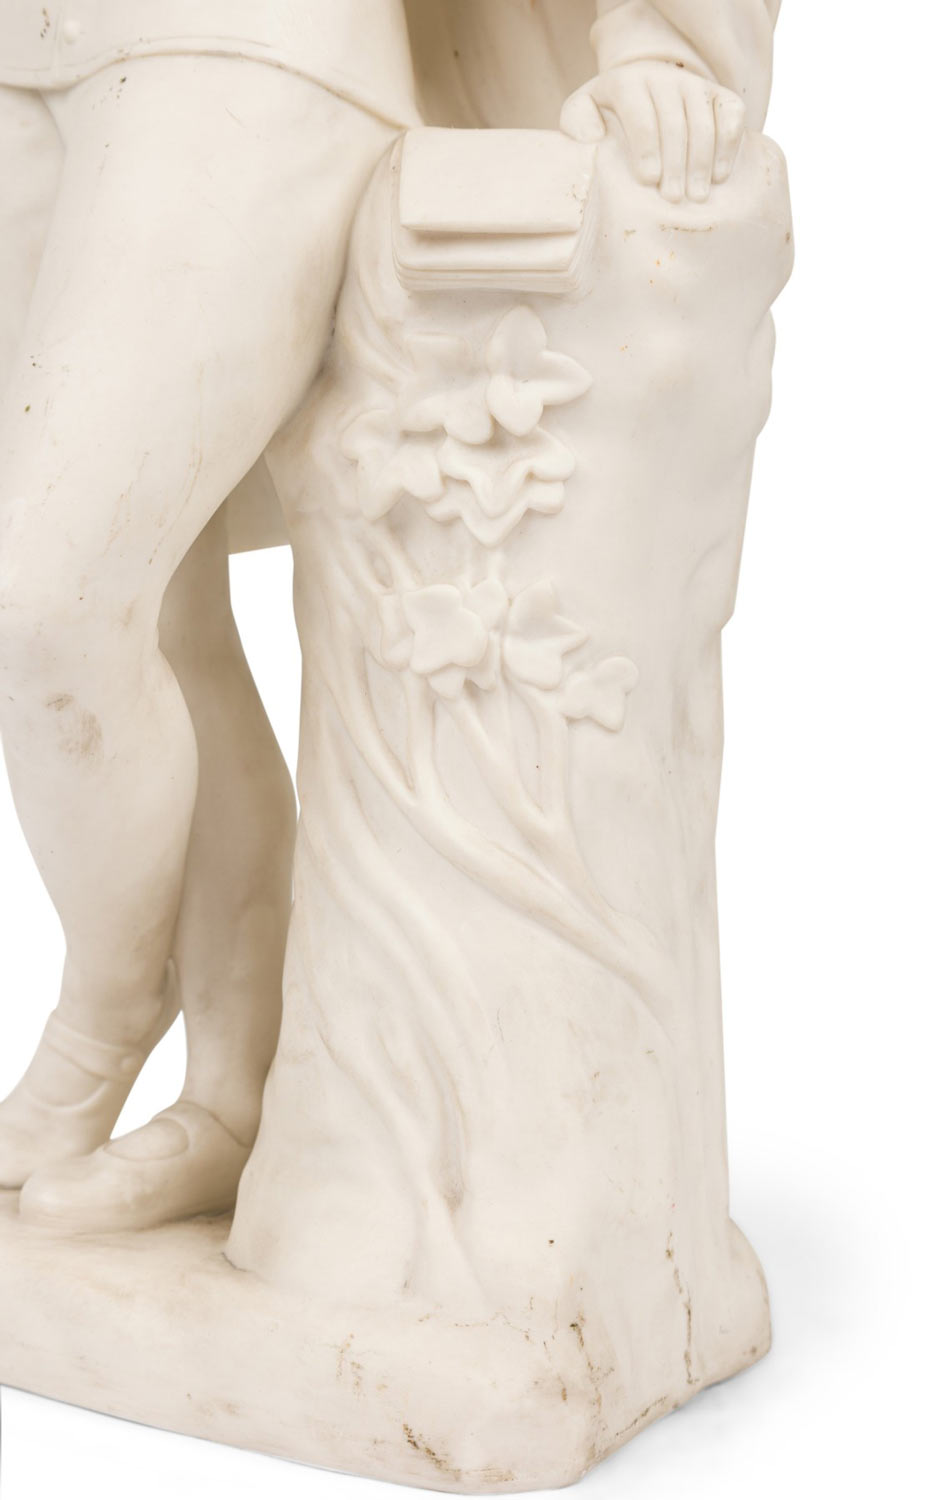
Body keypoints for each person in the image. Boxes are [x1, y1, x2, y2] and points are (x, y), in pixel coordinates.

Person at [0, 0, 777, 1232]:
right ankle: (229, 1096)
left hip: (245, 44)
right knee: (159, 614)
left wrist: (654, 31)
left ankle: (100, 1021)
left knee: (48, 604)